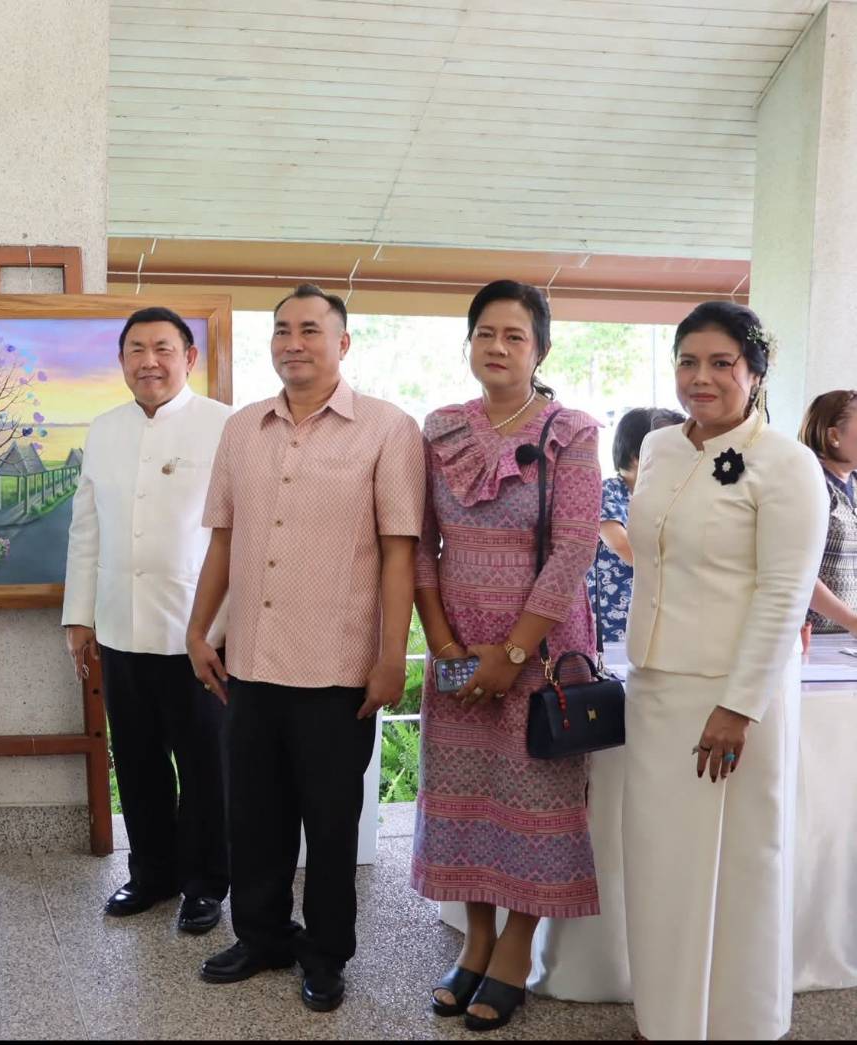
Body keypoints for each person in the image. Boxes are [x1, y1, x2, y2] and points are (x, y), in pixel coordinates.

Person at [185, 284, 423, 1013]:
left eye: (310, 330)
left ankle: (324, 953)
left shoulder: (387, 428)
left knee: (327, 822)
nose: (293, 342)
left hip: (337, 666)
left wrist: (391, 656)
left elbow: (397, 553)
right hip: (250, 659)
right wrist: (198, 629)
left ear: (342, 343)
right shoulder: (241, 429)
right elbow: (223, 538)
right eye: (282, 330)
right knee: (251, 814)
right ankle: (259, 934)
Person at [622, 302, 826, 1041]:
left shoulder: (787, 464)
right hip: (653, 687)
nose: (698, 377)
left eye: (719, 363)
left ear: (754, 372)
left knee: (739, 865)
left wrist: (738, 705)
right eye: (686, 361)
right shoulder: (656, 445)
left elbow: (783, 590)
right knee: (660, 865)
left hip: (734, 696)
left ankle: (737, 1021)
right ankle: (666, 1017)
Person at [412, 279, 602, 1032]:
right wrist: (447, 646)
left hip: (542, 652)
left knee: (531, 802)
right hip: (457, 644)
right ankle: (477, 939)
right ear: (467, 343)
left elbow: (574, 549)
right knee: (465, 798)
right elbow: (419, 546)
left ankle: (515, 950)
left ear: (540, 350)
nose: (496, 346)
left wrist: (512, 651)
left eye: (513, 336)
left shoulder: (571, 430)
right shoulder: (439, 428)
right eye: (484, 332)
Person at [62, 305, 232, 934]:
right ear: (123, 361)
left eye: (163, 348)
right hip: (119, 625)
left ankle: (207, 882)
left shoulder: (225, 426)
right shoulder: (104, 429)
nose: (149, 361)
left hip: (199, 632)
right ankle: (151, 873)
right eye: (136, 349)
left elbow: (235, 534)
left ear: (189, 358)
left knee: (205, 763)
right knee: (135, 759)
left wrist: (228, 627)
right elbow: (87, 528)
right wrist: (79, 616)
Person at [586, 407, 685, 644]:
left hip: (652, 615)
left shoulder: (661, 498)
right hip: (612, 620)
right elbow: (621, 543)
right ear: (635, 456)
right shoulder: (607, 490)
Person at [799, 389, 857, 635]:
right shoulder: (810, 483)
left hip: (846, 637)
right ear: (834, 436)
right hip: (811, 635)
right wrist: (853, 622)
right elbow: (798, 569)